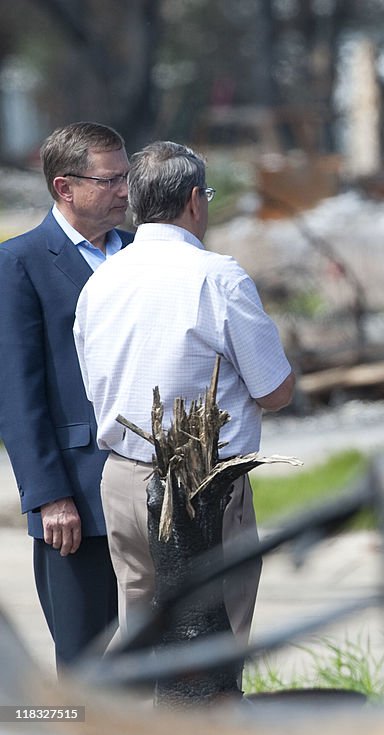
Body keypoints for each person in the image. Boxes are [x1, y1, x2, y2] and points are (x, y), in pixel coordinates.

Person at [74, 141, 295, 650]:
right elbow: (276, 390)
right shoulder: (218, 277)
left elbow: (95, 388)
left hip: (123, 478)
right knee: (215, 642)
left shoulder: (100, 280)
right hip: (203, 483)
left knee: (141, 640)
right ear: (196, 200)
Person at [0, 122, 130, 673]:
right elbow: (16, 390)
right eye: (111, 180)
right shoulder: (21, 262)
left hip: (157, 491)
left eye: (129, 176)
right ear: (64, 188)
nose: (126, 190)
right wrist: (48, 496)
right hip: (76, 498)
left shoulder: (144, 254)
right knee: (85, 664)